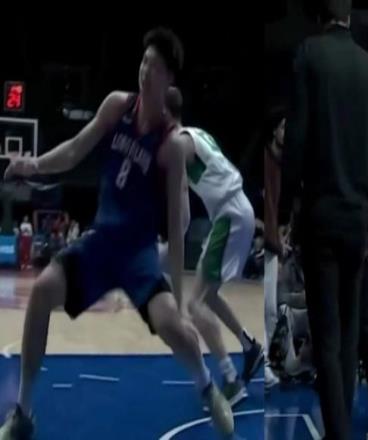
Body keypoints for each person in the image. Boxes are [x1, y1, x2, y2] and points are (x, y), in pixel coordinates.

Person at [0, 28, 233, 439]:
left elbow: (176, 226)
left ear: (169, 79)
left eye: (155, 67)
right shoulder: (116, 106)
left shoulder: (172, 145)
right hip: (100, 243)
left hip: (138, 255)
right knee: (41, 293)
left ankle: (207, 387)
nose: (145, 71)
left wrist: (180, 300)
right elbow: (75, 149)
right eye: (144, 62)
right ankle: (23, 412)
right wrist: (33, 165)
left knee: (174, 327)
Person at [279, 0, 368, 438]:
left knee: (326, 336)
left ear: (319, 15)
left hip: (321, 214)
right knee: (348, 335)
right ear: (349, 16)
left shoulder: (309, 54)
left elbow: (296, 137)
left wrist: (284, 210)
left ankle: (338, 433)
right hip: (358, 218)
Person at [162, 87, 264, 407]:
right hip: (235, 210)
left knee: (193, 304)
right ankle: (249, 346)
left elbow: (182, 199)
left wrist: (175, 241)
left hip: (230, 215)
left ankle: (231, 381)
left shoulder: (179, 143)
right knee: (209, 295)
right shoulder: (196, 134)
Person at [264, 110, 286, 390]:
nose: (286, 132)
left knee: (271, 307)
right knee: (266, 306)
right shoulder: (265, 159)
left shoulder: (284, 163)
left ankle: (267, 361)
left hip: (274, 242)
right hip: (263, 239)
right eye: (283, 127)